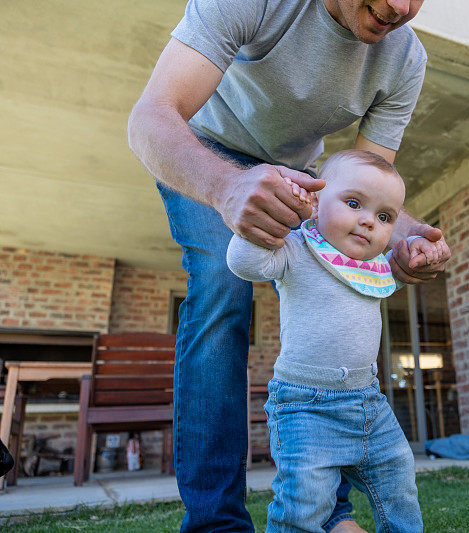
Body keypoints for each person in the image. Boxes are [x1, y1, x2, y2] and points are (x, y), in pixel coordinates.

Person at [127, 1, 449, 531]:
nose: (400, 7)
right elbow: (150, 118)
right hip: (208, 152)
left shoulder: (405, 59)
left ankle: (327, 514)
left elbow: (365, 189)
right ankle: (216, 522)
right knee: (222, 286)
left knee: (335, 288)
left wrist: (408, 238)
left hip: (303, 176)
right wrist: (226, 187)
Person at [228, 149, 439, 532]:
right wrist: (260, 228)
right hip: (305, 403)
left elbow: (404, 259)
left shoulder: (377, 266)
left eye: (384, 216)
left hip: (368, 401)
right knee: (305, 503)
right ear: (315, 202)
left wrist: (420, 250)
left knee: (399, 479)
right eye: (354, 203)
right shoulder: (297, 248)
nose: (368, 222)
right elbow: (245, 264)